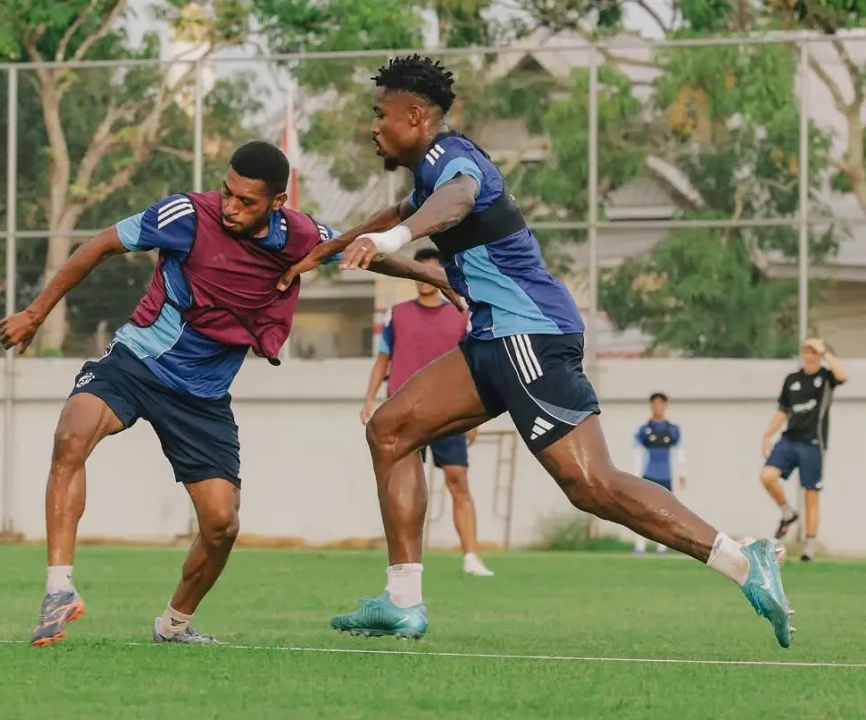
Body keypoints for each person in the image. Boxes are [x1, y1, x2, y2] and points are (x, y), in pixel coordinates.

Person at [278, 55, 794, 648]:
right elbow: (398, 218)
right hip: (492, 340)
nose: (373, 127)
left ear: (416, 116)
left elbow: (455, 202)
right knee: (390, 431)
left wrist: (390, 238)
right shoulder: (425, 179)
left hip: (528, 334)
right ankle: (402, 602)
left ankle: (743, 559)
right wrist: (321, 252)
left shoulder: (452, 159)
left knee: (591, 485)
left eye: (381, 114)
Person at [0, 140, 463, 648]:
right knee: (72, 435)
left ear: (276, 203)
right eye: (227, 192)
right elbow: (99, 245)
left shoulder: (300, 235)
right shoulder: (186, 215)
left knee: (221, 524)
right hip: (138, 361)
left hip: (202, 396)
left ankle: (174, 625)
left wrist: (425, 272)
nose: (230, 206)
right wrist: (35, 314)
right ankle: (58, 589)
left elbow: (361, 250)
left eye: (246, 201)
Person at [364, 247, 492, 576]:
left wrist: (475, 414)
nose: (424, 278)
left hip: (449, 411)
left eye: (431, 270)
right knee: (404, 485)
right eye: (419, 270)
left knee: (458, 480)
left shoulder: (462, 315)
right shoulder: (398, 314)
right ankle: (405, 561)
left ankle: (471, 556)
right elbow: (383, 359)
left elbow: (474, 367)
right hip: (404, 413)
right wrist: (369, 398)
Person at [761, 337, 848, 562]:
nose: (810, 355)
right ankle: (788, 512)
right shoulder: (792, 379)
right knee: (767, 475)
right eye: (807, 351)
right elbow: (783, 410)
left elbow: (843, 376)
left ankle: (809, 545)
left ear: (819, 354)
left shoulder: (826, 377)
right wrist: (768, 434)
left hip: (813, 443)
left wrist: (826, 352)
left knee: (811, 495)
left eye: (814, 351)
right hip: (789, 440)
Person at [632, 392, 685, 556]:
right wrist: (636, 474)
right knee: (642, 512)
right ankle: (640, 547)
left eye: (661, 404)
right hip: (648, 475)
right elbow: (637, 451)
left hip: (665, 476)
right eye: (655, 404)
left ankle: (662, 547)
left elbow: (680, 450)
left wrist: (682, 473)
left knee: (665, 513)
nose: (658, 407)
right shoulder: (644, 428)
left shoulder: (672, 428)